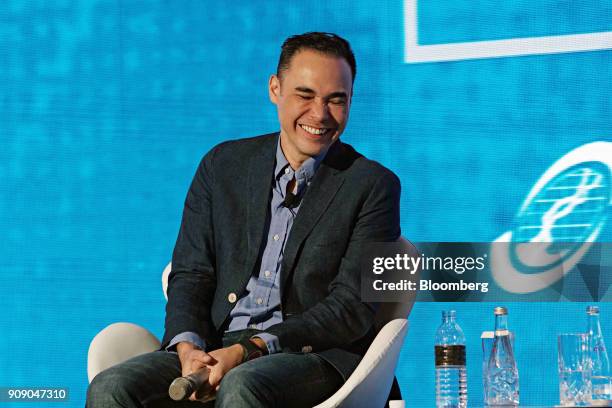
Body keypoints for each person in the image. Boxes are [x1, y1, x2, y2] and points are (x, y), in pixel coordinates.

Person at [87, 31, 401, 408]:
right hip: (214, 347)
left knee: (243, 385)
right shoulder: (222, 166)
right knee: (111, 386)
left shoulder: (375, 185)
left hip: (313, 356)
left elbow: (352, 309)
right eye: (305, 95)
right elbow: (190, 274)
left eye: (336, 100)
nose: (320, 114)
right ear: (274, 88)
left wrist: (250, 350)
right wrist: (188, 349)